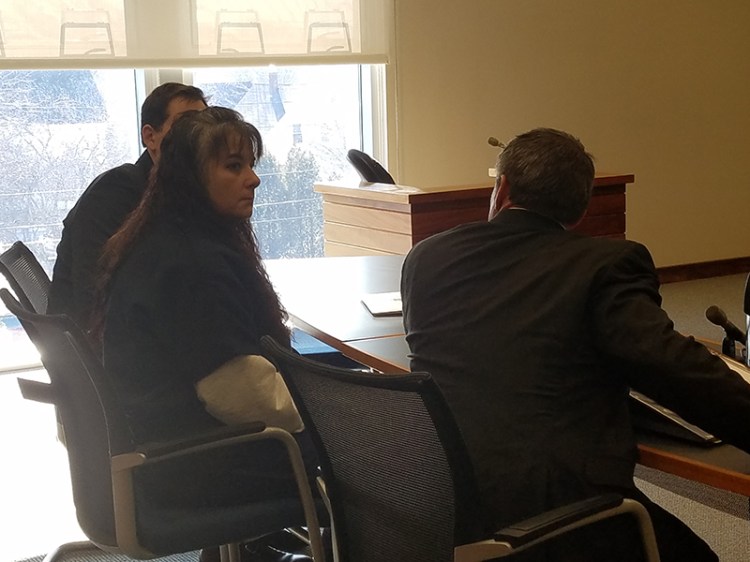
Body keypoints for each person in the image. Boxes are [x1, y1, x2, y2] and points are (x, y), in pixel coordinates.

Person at [400, 128, 750, 561]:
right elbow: (673, 367)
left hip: (434, 500)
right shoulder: (605, 264)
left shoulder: (426, 258)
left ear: (501, 189)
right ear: (581, 209)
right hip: (553, 518)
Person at [93, 107, 317, 562]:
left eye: (251, 165)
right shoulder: (192, 266)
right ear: (192, 178)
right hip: (196, 466)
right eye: (235, 166)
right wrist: (340, 415)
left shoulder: (162, 238)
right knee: (374, 450)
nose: (253, 179)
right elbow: (241, 396)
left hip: (168, 452)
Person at [48, 82, 208, 328]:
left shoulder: (181, 194)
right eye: (185, 124)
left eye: (204, 126)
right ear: (150, 136)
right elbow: (94, 292)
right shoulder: (116, 191)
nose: (197, 135)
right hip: (99, 347)